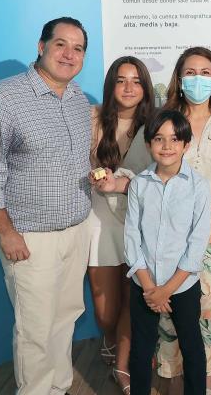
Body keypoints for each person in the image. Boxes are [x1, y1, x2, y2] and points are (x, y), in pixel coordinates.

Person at [0, 16, 92, 395]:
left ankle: (59, 387)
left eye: (78, 48)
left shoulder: (78, 99)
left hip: (77, 230)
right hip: (30, 237)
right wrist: (6, 232)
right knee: (35, 327)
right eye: (60, 45)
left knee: (66, 316)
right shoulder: (3, 99)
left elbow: (76, 163)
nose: (69, 54)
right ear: (41, 47)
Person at [155, 47, 211, 394]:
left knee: (209, 305)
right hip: (168, 224)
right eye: (190, 72)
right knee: (169, 302)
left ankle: (207, 371)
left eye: (205, 72)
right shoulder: (162, 119)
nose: (198, 78)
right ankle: (172, 372)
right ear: (179, 78)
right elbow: (138, 171)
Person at [123, 110, 211, 395]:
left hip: (182, 284)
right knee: (141, 347)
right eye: (159, 139)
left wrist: (168, 289)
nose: (167, 146)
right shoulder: (139, 184)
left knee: (192, 346)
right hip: (144, 284)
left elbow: (196, 243)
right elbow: (131, 236)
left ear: (186, 145)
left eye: (175, 139)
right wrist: (150, 287)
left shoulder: (198, 186)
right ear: (148, 144)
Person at [82, 56, 155, 392]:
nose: (129, 87)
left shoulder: (156, 124)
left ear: (146, 87)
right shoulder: (91, 118)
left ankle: (126, 360)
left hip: (142, 220)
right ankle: (111, 338)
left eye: (137, 80)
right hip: (100, 220)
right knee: (106, 310)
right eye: (121, 80)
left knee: (135, 297)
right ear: (111, 84)